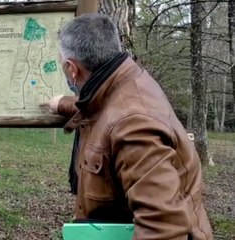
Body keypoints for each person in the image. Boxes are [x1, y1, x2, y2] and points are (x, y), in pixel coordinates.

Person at [41, 13, 213, 240]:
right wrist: (62, 103)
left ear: (72, 69)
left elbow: (163, 228)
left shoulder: (134, 125)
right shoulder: (123, 81)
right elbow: (101, 106)